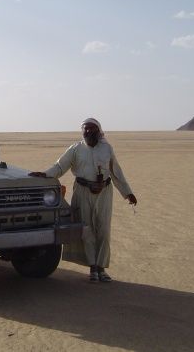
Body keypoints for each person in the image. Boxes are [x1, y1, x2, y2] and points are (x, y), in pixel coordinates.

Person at [29, 118, 137, 282]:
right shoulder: (76, 149)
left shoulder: (107, 148)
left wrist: (128, 192)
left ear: (98, 132)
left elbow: (116, 172)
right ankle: (93, 268)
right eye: (85, 130)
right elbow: (60, 166)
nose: (88, 132)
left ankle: (102, 268)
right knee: (86, 230)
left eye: (91, 129)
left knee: (103, 230)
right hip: (82, 192)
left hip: (104, 194)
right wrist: (45, 174)